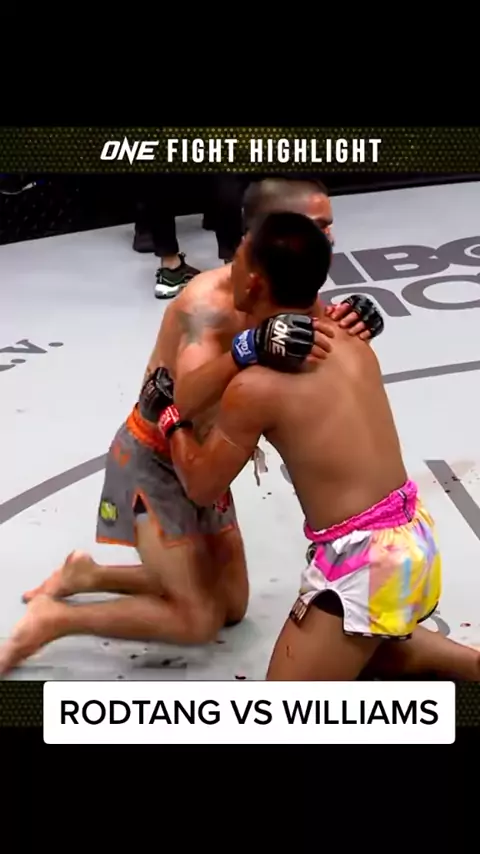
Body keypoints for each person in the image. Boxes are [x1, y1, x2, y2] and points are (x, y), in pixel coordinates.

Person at [0, 179, 382, 675]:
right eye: (319, 225)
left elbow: (318, 339)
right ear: (268, 233)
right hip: (157, 458)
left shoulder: (289, 279)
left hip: (206, 456)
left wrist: (357, 318)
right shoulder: (206, 305)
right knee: (197, 619)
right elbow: (181, 399)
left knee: (232, 606)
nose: (328, 237)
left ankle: (88, 575)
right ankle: (54, 621)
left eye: (329, 226)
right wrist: (247, 349)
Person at [150, 211, 479, 682]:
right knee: (371, 651)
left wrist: (170, 422)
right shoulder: (350, 335)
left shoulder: (257, 387)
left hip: (365, 561)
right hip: (413, 537)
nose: (227, 271)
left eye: (236, 261)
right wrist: (247, 347)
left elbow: (202, 486)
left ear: (254, 282)